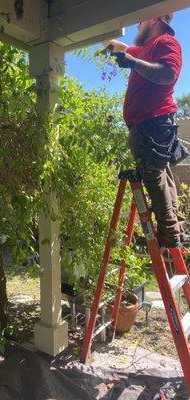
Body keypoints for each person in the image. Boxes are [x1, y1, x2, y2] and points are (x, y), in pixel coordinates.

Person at [105, 14, 186, 248]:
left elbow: (167, 74)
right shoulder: (147, 47)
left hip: (153, 124)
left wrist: (132, 63)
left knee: (153, 175)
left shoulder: (166, 43)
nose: (136, 24)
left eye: (140, 20)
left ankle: (170, 238)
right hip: (147, 126)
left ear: (154, 18)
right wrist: (97, 33)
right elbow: (118, 46)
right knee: (161, 176)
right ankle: (174, 231)